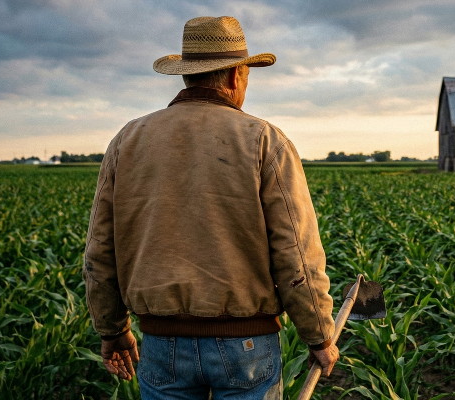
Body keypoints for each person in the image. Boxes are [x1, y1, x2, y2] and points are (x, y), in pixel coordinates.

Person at [84, 16, 338, 399]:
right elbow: (296, 254)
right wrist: (318, 334)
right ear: (237, 76)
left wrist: (113, 331)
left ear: (187, 75)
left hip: (160, 344)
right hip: (247, 346)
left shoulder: (128, 140)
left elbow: (100, 251)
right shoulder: (264, 139)